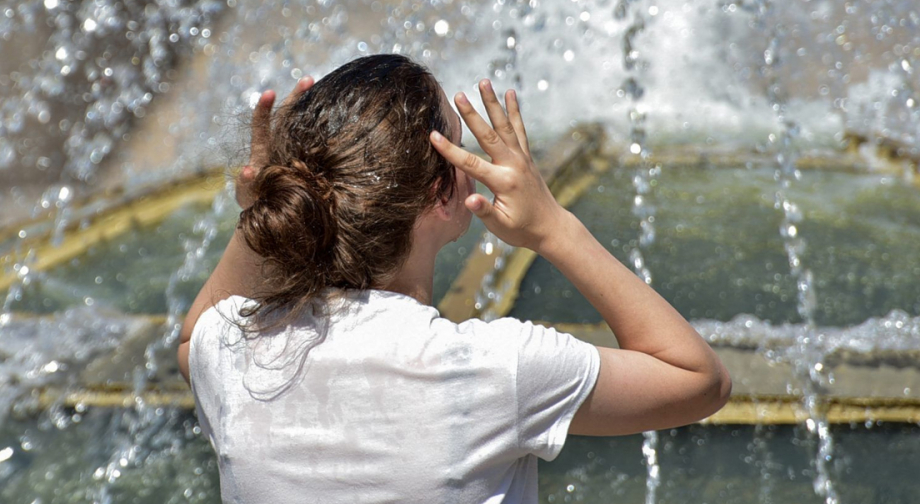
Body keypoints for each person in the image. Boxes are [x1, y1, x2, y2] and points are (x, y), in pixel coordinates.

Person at [177, 54, 731, 503]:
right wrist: (555, 228)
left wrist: (262, 215)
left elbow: (194, 334)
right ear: (444, 194)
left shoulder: (232, 352)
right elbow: (697, 379)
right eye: (460, 148)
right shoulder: (493, 369)